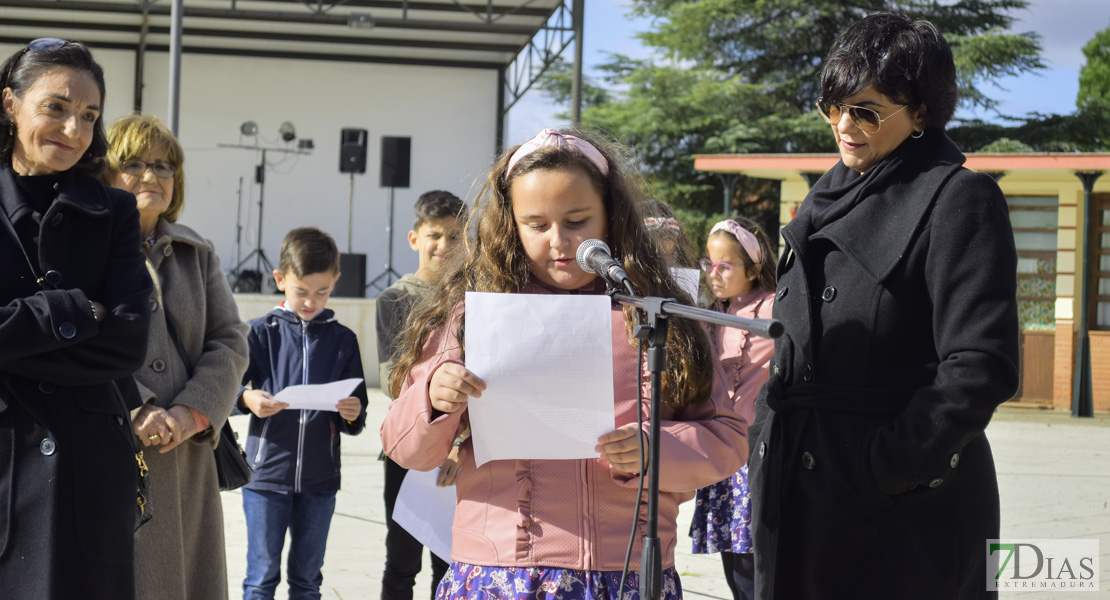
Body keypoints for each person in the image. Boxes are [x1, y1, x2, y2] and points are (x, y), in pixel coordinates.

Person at [380, 127, 747, 600]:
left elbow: (727, 437)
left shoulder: (658, 315)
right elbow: (404, 447)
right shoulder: (473, 314)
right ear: (509, 224)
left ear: (611, 217)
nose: (559, 241)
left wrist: (656, 448)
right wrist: (433, 396)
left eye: (577, 220)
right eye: (536, 224)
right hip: (498, 576)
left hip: (629, 574)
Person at [747, 13, 1019, 599]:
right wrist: (764, 437)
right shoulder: (819, 200)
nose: (844, 125)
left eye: (866, 111)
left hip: (898, 512)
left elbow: (981, 366)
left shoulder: (959, 198)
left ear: (921, 111)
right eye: (832, 106)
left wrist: (881, 468)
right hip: (796, 494)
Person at [0, 38, 153, 597]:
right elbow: (103, 337)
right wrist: (67, 310)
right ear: (9, 104)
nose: (74, 129)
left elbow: (128, 344)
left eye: (89, 115)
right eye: (56, 108)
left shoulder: (112, 210)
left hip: (89, 471)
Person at [103, 112, 250, 600]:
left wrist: (193, 411)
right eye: (135, 163)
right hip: (113, 447)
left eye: (165, 166)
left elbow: (229, 339)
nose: (152, 175)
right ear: (105, 171)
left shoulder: (196, 251)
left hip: (187, 459)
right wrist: (137, 406)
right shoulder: (84, 248)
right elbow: (81, 343)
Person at [237, 226, 369, 600]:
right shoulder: (260, 333)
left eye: (322, 292)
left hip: (320, 480)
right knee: (261, 579)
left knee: (308, 582)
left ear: (335, 281)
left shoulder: (344, 340)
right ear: (280, 279)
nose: (311, 301)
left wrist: (352, 412)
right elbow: (227, 390)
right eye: (301, 291)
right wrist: (247, 399)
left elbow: (357, 416)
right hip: (265, 477)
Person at [376, 189, 467, 600]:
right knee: (402, 562)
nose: (443, 245)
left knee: (450, 563)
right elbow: (397, 382)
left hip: (461, 452)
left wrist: (459, 444)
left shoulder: (474, 298)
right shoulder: (395, 299)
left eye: (454, 236)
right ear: (415, 239)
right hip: (410, 448)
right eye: (434, 235)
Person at [688, 217, 776, 600]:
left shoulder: (777, 306)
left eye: (725, 266)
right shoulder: (711, 313)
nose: (714, 274)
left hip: (759, 455)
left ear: (754, 269)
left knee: (759, 567)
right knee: (734, 565)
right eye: (709, 264)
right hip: (723, 455)